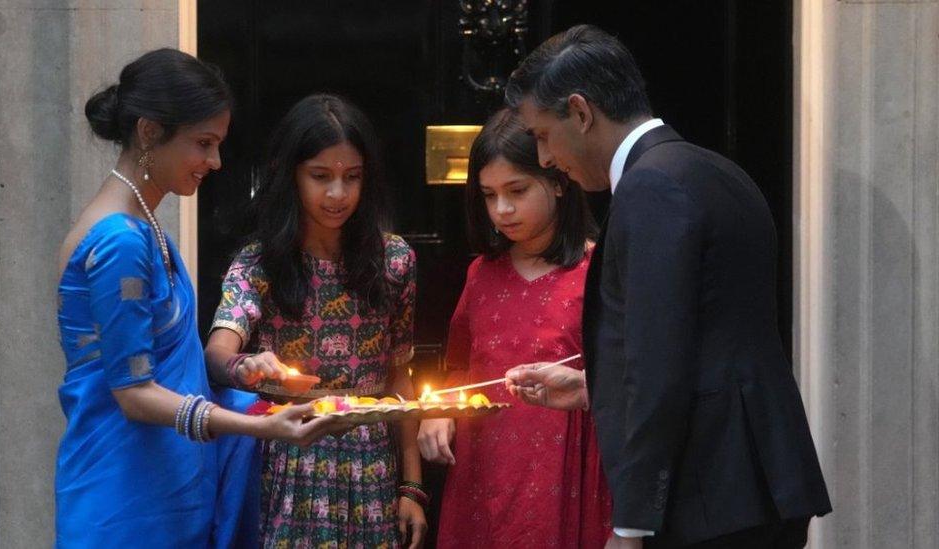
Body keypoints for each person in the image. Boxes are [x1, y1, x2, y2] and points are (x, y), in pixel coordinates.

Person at [503, 25, 832, 548]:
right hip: (756, 485)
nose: (544, 158)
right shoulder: (717, 170)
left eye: (543, 134)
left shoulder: (650, 185)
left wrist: (631, 525)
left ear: (581, 112)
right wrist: (596, 389)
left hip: (706, 497)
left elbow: (661, 363)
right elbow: (710, 340)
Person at [55, 48, 339, 547]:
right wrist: (262, 428)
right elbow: (134, 393)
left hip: (162, 485)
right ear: (149, 132)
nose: (215, 161)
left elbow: (171, 363)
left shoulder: (142, 227)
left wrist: (239, 371)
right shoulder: (119, 240)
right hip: (126, 500)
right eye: (203, 143)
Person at [204, 93, 428, 548]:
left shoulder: (394, 260)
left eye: (352, 177)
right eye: (320, 177)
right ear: (292, 176)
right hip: (287, 457)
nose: (337, 194)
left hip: (370, 463)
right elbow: (217, 353)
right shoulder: (261, 262)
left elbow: (398, 374)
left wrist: (412, 486)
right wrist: (242, 367)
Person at [416, 109, 611, 548]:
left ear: (559, 181)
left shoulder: (595, 271)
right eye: (488, 195)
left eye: (517, 191)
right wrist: (439, 408)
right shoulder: (481, 276)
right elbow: (459, 368)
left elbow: (628, 381)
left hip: (568, 472)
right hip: (484, 474)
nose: (502, 210)